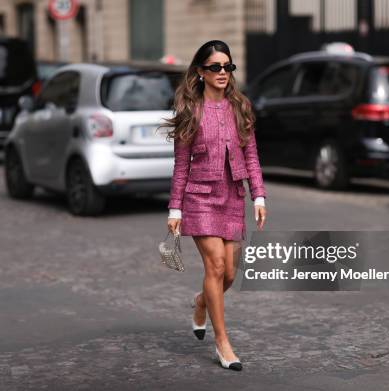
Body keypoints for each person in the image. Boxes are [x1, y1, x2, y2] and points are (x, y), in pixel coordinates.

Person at [163, 40, 267, 371]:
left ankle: (201, 302)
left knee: (231, 274)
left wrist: (259, 195)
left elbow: (251, 154)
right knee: (216, 267)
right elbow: (181, 165)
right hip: (199, 196)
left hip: (232, 194)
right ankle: (222, 343)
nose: (223, 72)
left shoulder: (241, 107)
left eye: (227, 67)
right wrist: (175, 210)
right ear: (201, 72)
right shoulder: (190, 111)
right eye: (215, 67)